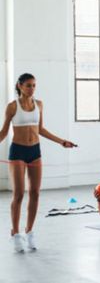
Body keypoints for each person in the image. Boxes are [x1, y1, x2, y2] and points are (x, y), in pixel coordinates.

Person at [0, 73, 77, 252]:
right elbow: (3, 132)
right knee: (19, 194)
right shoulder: (12, 107)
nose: (32, 88)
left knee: (35, 193)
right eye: (28, 85)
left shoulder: (39, 105)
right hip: (18, 151)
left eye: (34, 85)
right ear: (19, 85)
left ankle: (30, 231)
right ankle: (15, 233)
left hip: (35, 151)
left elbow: (41, 129)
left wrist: (61, 141)